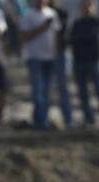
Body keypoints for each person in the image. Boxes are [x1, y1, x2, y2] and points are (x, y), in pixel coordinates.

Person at [69, 0, 99, 128]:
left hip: (93, 61)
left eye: (89, 5)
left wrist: (81, 39)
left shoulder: (97, 22)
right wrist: (82, 39)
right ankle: (89, 118)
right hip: (79, 61)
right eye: (84, 6)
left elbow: (93, 37)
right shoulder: (77, 23)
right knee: (83, 92)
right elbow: (72, 39)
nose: (86, 8)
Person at [19, 0, 59, 129]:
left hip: (50, 58)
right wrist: (41, 28)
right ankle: (42, 122)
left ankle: (39, 119)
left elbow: (57, 34)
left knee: (46, 91)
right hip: (34, 58)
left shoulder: (52, 14)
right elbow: (23, 36)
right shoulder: (27, 15)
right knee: (38, 91)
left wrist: (56, 53)